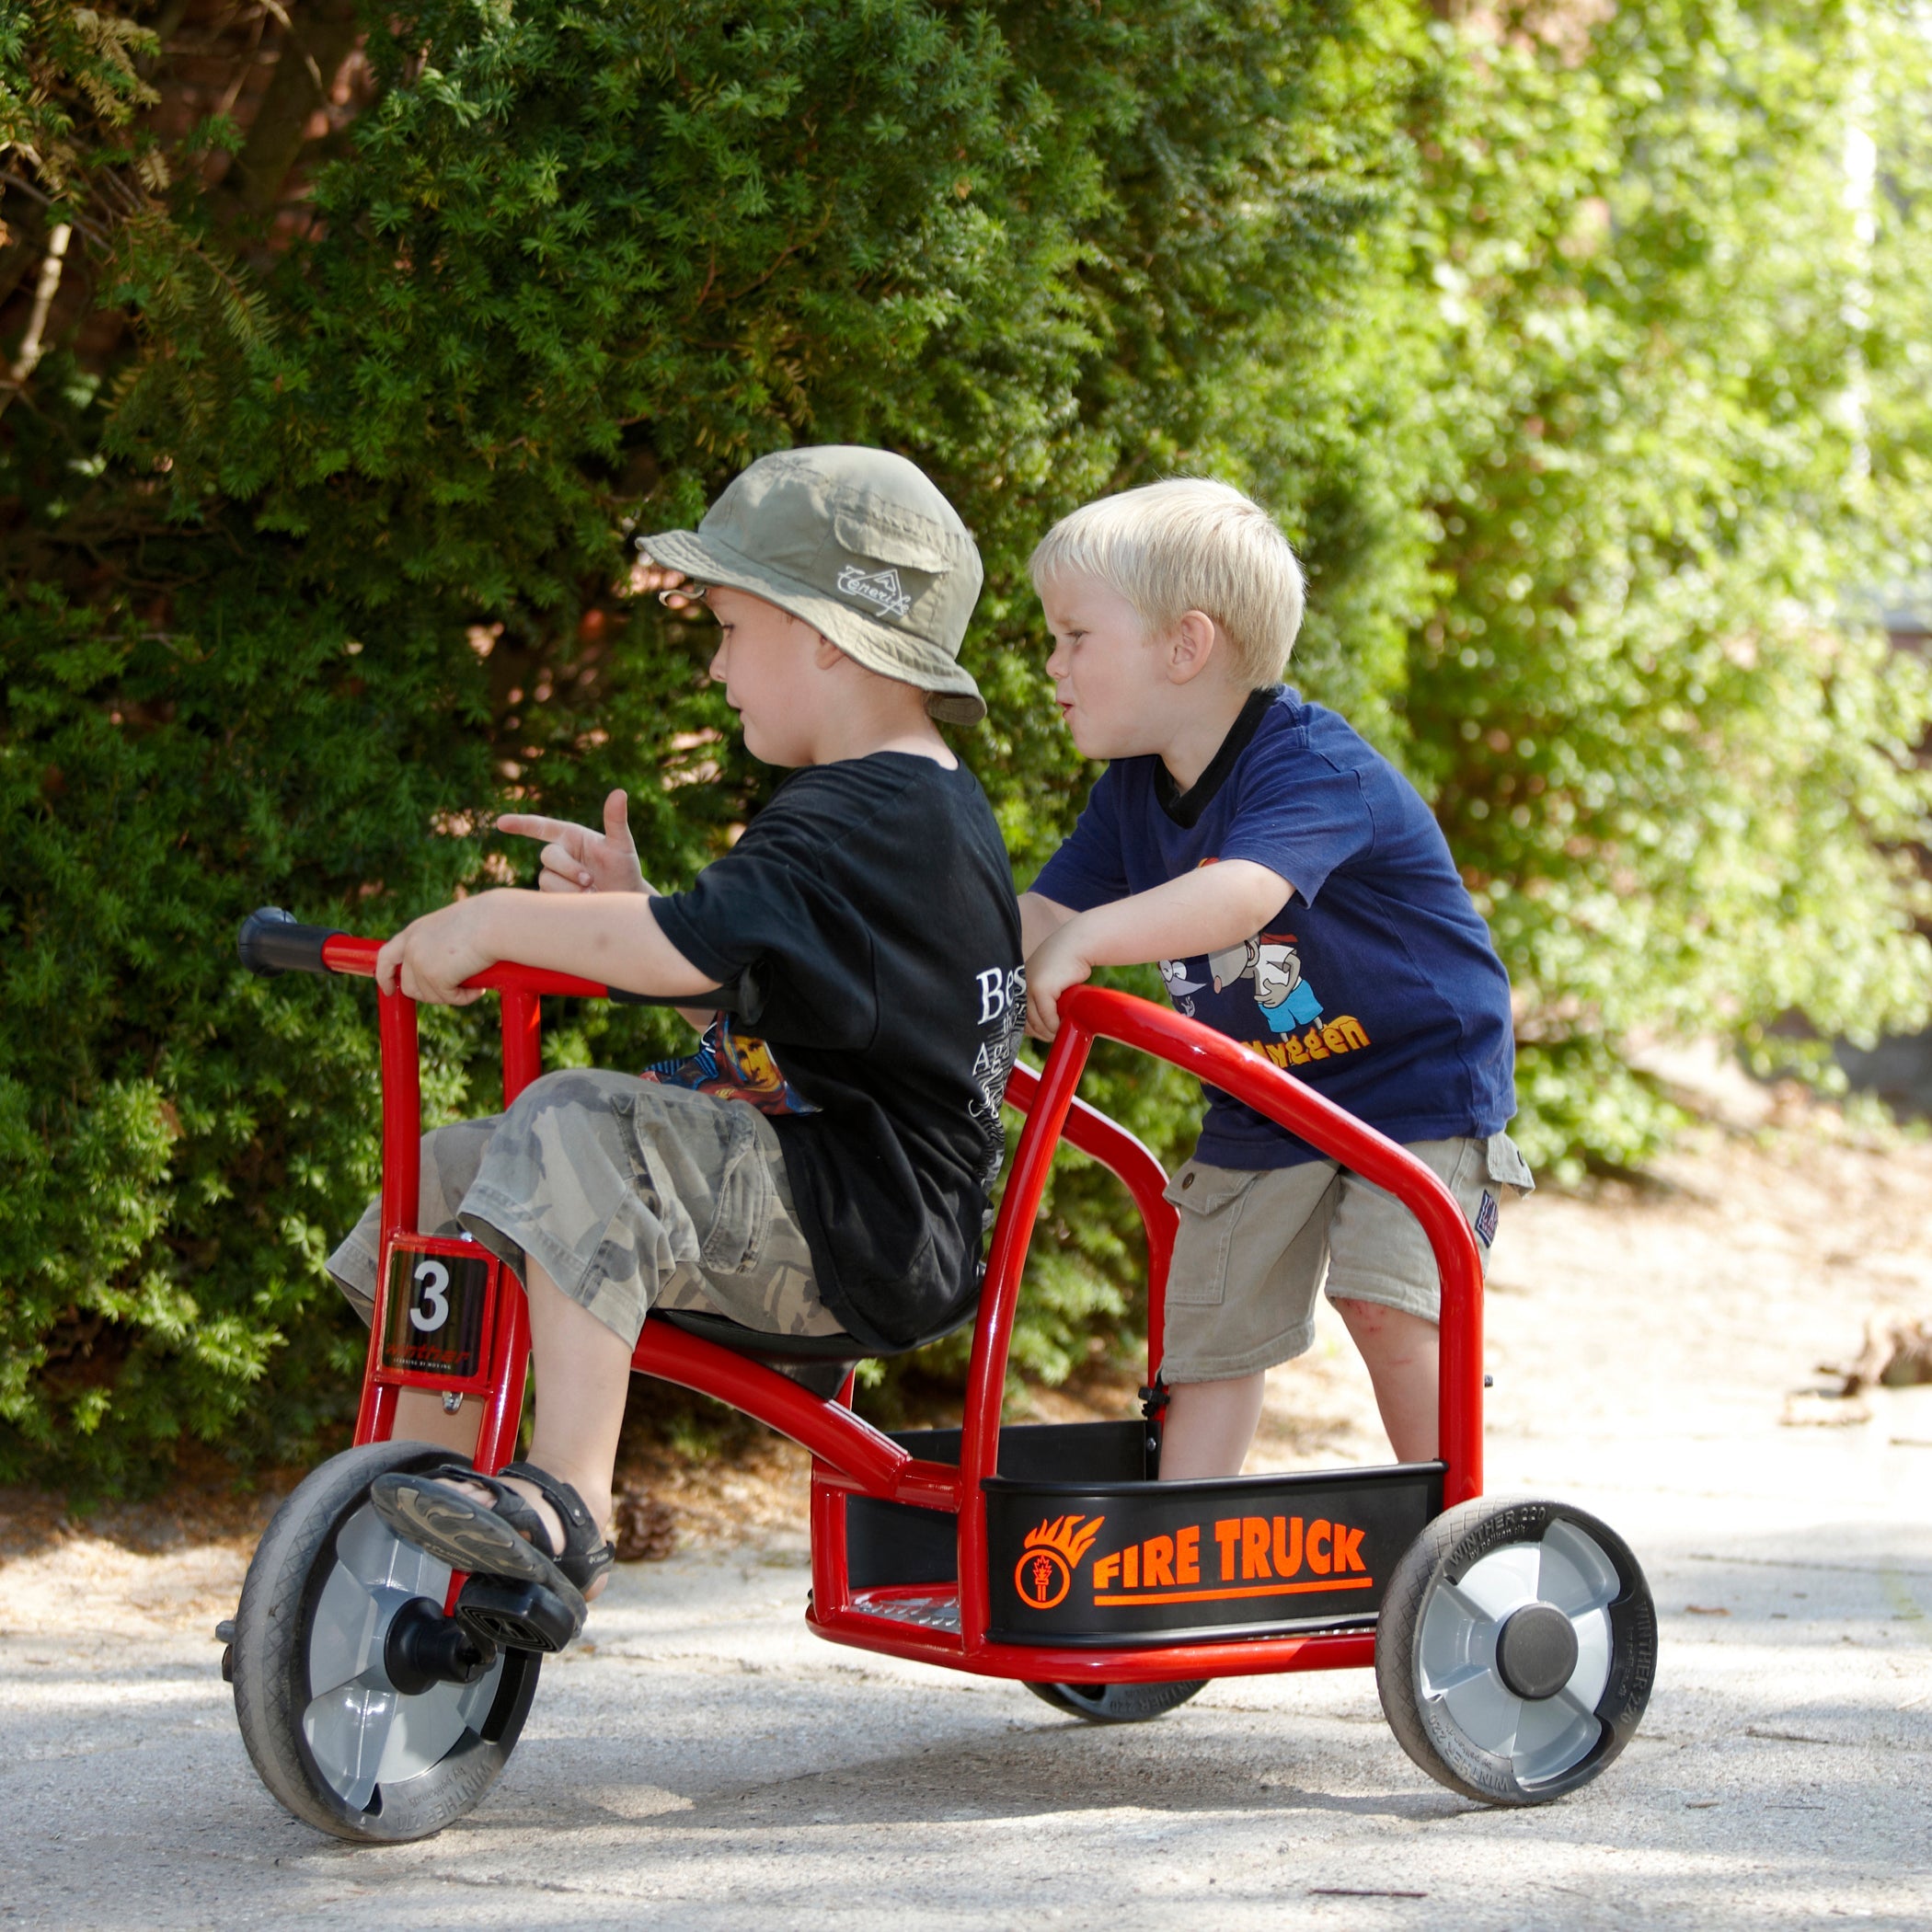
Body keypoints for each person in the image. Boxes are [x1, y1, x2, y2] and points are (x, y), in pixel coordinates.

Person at [328, 445, 1025, 1642]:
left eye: (729, 627)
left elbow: (677, 951)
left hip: (863, 1231)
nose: (714, 664)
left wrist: (496, 919)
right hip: (822, 1193)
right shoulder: (884, 806)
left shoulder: (874, 812)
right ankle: (423, 1504)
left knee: (575, 1119)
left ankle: (566, 1505)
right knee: (446, 1174)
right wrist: (637, 903)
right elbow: (756, 1010)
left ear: (826, 633)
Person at [1018, 478, 1532, 1481]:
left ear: (1185, 645)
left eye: (1075, 636)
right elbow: (1042, 915)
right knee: (1209, 1335)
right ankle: (1175, 1544)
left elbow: (1243, 895)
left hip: (1415, 1082)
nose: (1053, 663)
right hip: (1264, 1094)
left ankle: (1465, 1531)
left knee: (1387, 1303)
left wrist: (1085, 943)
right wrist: (950, 964)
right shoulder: (1132, 793)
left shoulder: (1310, 766)